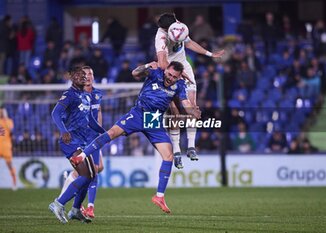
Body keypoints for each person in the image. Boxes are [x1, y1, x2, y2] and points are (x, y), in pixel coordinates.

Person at [70, 61, 201, 214]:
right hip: (138, 113)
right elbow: (135, 73)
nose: (170, 78)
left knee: (168, 155)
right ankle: (82, 156)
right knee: (111, 133)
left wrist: (193, 112)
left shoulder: (179, 86)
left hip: (153, 119)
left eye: (174, 77)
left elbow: (185, 104)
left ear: (178, 77)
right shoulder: (156, 73)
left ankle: (159, 196)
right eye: (169, 74)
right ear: (166, 71)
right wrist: (146, 66)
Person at [155, 12, 224, 169]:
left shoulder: (178, 27)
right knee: (175, 111)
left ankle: (191, 147)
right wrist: (177, 76)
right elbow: (162, 63)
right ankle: (177, 150)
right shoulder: (161, 38)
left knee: (192, 107)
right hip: (170, 72)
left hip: (183, 65)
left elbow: (190, 42)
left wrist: (210, 54)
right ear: (166, 29)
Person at [49, 67, 105, 224]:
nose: (83, 77)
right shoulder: (69, 95)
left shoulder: (86, 96)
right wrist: (63, 130)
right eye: (79, 75)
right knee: (87, 174)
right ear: (71, 77)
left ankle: (75, 210)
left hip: (82, 142)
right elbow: (55, 113)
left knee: (92, 174)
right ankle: (58, 204)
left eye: (85, 74)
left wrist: (106, 133)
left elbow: (91, 121)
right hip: (70, 141)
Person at [0, 107, 17, 190]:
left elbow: (11, 130)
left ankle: (14, 182)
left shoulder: (9, 121)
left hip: (6, 146)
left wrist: (5, 118)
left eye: (2, 111)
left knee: (9, 165)